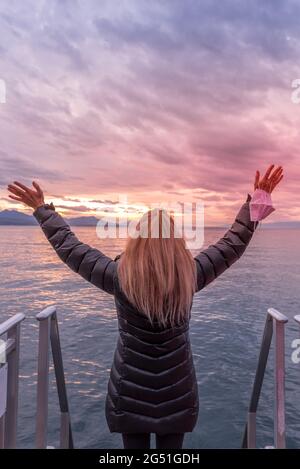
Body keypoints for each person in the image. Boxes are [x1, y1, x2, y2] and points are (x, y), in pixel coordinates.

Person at [7, 164, 283, 449]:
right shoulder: (191, 275)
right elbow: (232, 243)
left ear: (137, 238)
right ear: (175, 239)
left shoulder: (118, 277)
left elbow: (71, 247)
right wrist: (256, 202)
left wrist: (42, 209)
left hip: (129, 391)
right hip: (179, 392)